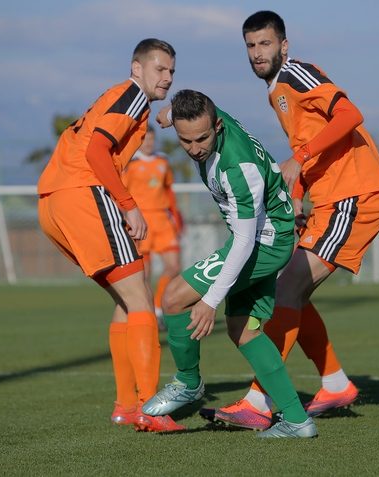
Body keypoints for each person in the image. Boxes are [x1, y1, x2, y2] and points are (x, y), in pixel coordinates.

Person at [201, 11, 379, 430]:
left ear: (283, 46)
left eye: (265, 44)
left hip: (352, 196)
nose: (257, 53)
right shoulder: (277, 91)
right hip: (330, 199)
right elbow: (307, 146)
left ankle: (258, 401)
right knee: (292, 287)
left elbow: (349, 115)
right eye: (250, 46)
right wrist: (299, 196)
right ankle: (335, 383)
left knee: (287, 286)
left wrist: (300, 159)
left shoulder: (295, 74)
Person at [141, 89, 318, 438]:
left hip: (263, 242)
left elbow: (243, 241)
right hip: (265, 237)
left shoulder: (238, 169)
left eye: (202, 138)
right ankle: (298, 421)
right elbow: (179, 111)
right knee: (244, 330)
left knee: (175, 298)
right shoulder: (200, 117)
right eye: (185, 140)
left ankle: (189, 383)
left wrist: (209, 301)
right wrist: (166, 115)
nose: (194, 148)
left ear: (217, 125)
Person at [37, 38, 184, 432]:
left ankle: (124, 405)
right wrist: (128, 204)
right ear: (137, 68)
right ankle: (151, 409)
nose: (167, 77)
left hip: (53, 201)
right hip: (85, 195)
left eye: (171, 71)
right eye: (159, 69)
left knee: (125, 297)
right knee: (141, 298)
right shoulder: (133, 95)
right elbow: (97, 151)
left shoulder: (119, 96)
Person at [123, 126, 183, 328]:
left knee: (174, 267)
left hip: (163, 221)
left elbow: (169, 191)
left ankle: (158, 308)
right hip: (142, 222)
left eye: (151, 140)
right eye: (145, 140)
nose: (148, 143)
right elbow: (121, 195)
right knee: (144, 274)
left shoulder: (163, 161)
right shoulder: (131, 164)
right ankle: (147, 314)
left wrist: (177, 218)